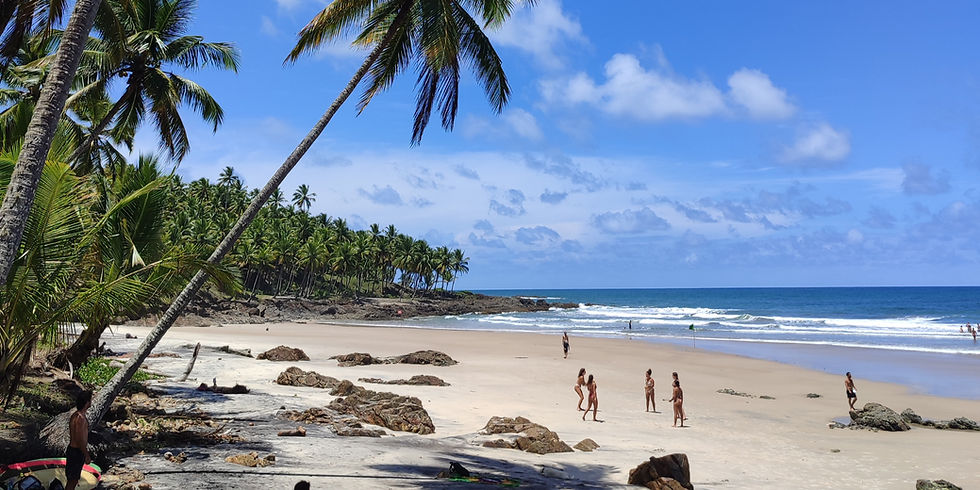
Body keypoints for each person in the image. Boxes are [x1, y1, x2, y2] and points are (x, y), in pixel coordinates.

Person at [66, 390, 92, 490]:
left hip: (74, 450)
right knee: (72, 481)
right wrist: (86, 455)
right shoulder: (80, 418)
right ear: (87, 402)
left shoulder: (75, 415)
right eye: (90, 400)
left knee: (73, 480)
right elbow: (79, 439)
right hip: (76, 451)